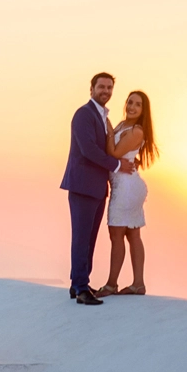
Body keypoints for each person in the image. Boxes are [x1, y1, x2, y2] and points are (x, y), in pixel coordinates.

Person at [59, 73, 136, 305]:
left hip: (97, 187)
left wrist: (127, 160)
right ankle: (82, 289)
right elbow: (88, 149)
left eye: (109, 87)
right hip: (83, 185)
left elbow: (108, 148)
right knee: (82, 237)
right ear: (91, 88)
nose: (106, 91)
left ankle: (78, 283)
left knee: (90, 238)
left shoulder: (102, 116)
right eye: (101, 86)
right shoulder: (84, 114)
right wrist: (117, 165)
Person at [95, 90, 158, 296]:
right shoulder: (124, 125)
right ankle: (138, 284)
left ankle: (112, 284)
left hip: (127, 187)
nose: (132, 107)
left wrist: (110, 131)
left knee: (117, 234)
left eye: (137, 104)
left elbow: (114, 153)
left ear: (143, 110)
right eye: (130, 102)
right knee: (132, 234)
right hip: (124, 184)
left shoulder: (137, 130)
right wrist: (113, 130)